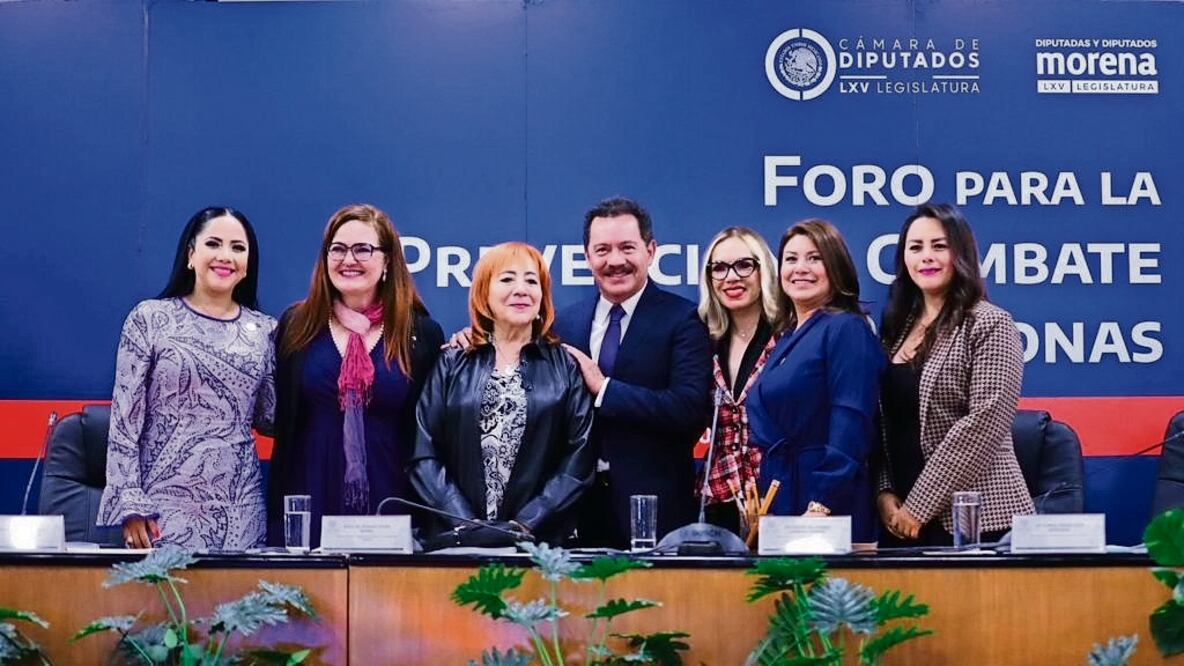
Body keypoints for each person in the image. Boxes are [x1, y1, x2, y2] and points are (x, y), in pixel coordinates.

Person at [99, 207, 275, 550]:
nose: (226, 256)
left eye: (238, 248)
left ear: (248, 265)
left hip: (241, 510)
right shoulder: (150, 318)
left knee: (243, 606)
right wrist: (130, 503)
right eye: (213, 243)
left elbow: (271, 418)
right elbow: (124, 421)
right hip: (161, 511)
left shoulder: (266, 331)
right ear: (191, 255)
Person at [267, 204, 443, 547]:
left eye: (363, 249)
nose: (349, 259)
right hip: (309, 498)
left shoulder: (420, 334)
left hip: (391, 505)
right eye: (338, 249)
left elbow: (432, 434)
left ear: (388, 260)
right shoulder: (296, 326)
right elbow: (281, 420)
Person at [410, 242, 595, 547]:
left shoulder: (565, 365)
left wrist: (525, 524)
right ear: (484, 292)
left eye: (531, 281)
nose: (521, 289)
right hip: (457, 543)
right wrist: (467, 525)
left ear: (543, 297)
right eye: (507, 279)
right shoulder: (451, 362)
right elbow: (423, 452)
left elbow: (579, 457)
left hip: (539, 545)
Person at [555, 197, 713, 547]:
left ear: (651, 250)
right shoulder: (564, 324)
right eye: (602, 250)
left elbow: (688, 409)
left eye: (627, 247)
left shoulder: (683, 319)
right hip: (576, 513)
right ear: (586, 256)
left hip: (655, 513)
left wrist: (605, 389)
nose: (615, 261)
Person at [876, 203, 1035, 546]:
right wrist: (884, 491)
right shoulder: (894, 331)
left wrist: (918, 506)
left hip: (979, 520)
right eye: (915, 248)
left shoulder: (991, 323)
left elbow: (984, 423)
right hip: (899, 521)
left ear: (960, 253)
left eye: (939, 246)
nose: (926, 257)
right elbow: (886, 426)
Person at [746, 219, 884, 542]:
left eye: (814, 258)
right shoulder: (788, 336)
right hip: (782, 495)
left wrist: (822, 503)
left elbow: (851, 419)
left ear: (835, 266)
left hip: (827, 502)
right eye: (791, 259)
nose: (800, 268)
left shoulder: (846, 328)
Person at [696, 227, 783, 533]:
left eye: (744, 265)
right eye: (719, 268)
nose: (731, 277)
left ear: (765, 270)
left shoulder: (790, 335)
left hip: (780, 497)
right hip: (720, 499)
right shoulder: (703, 339)